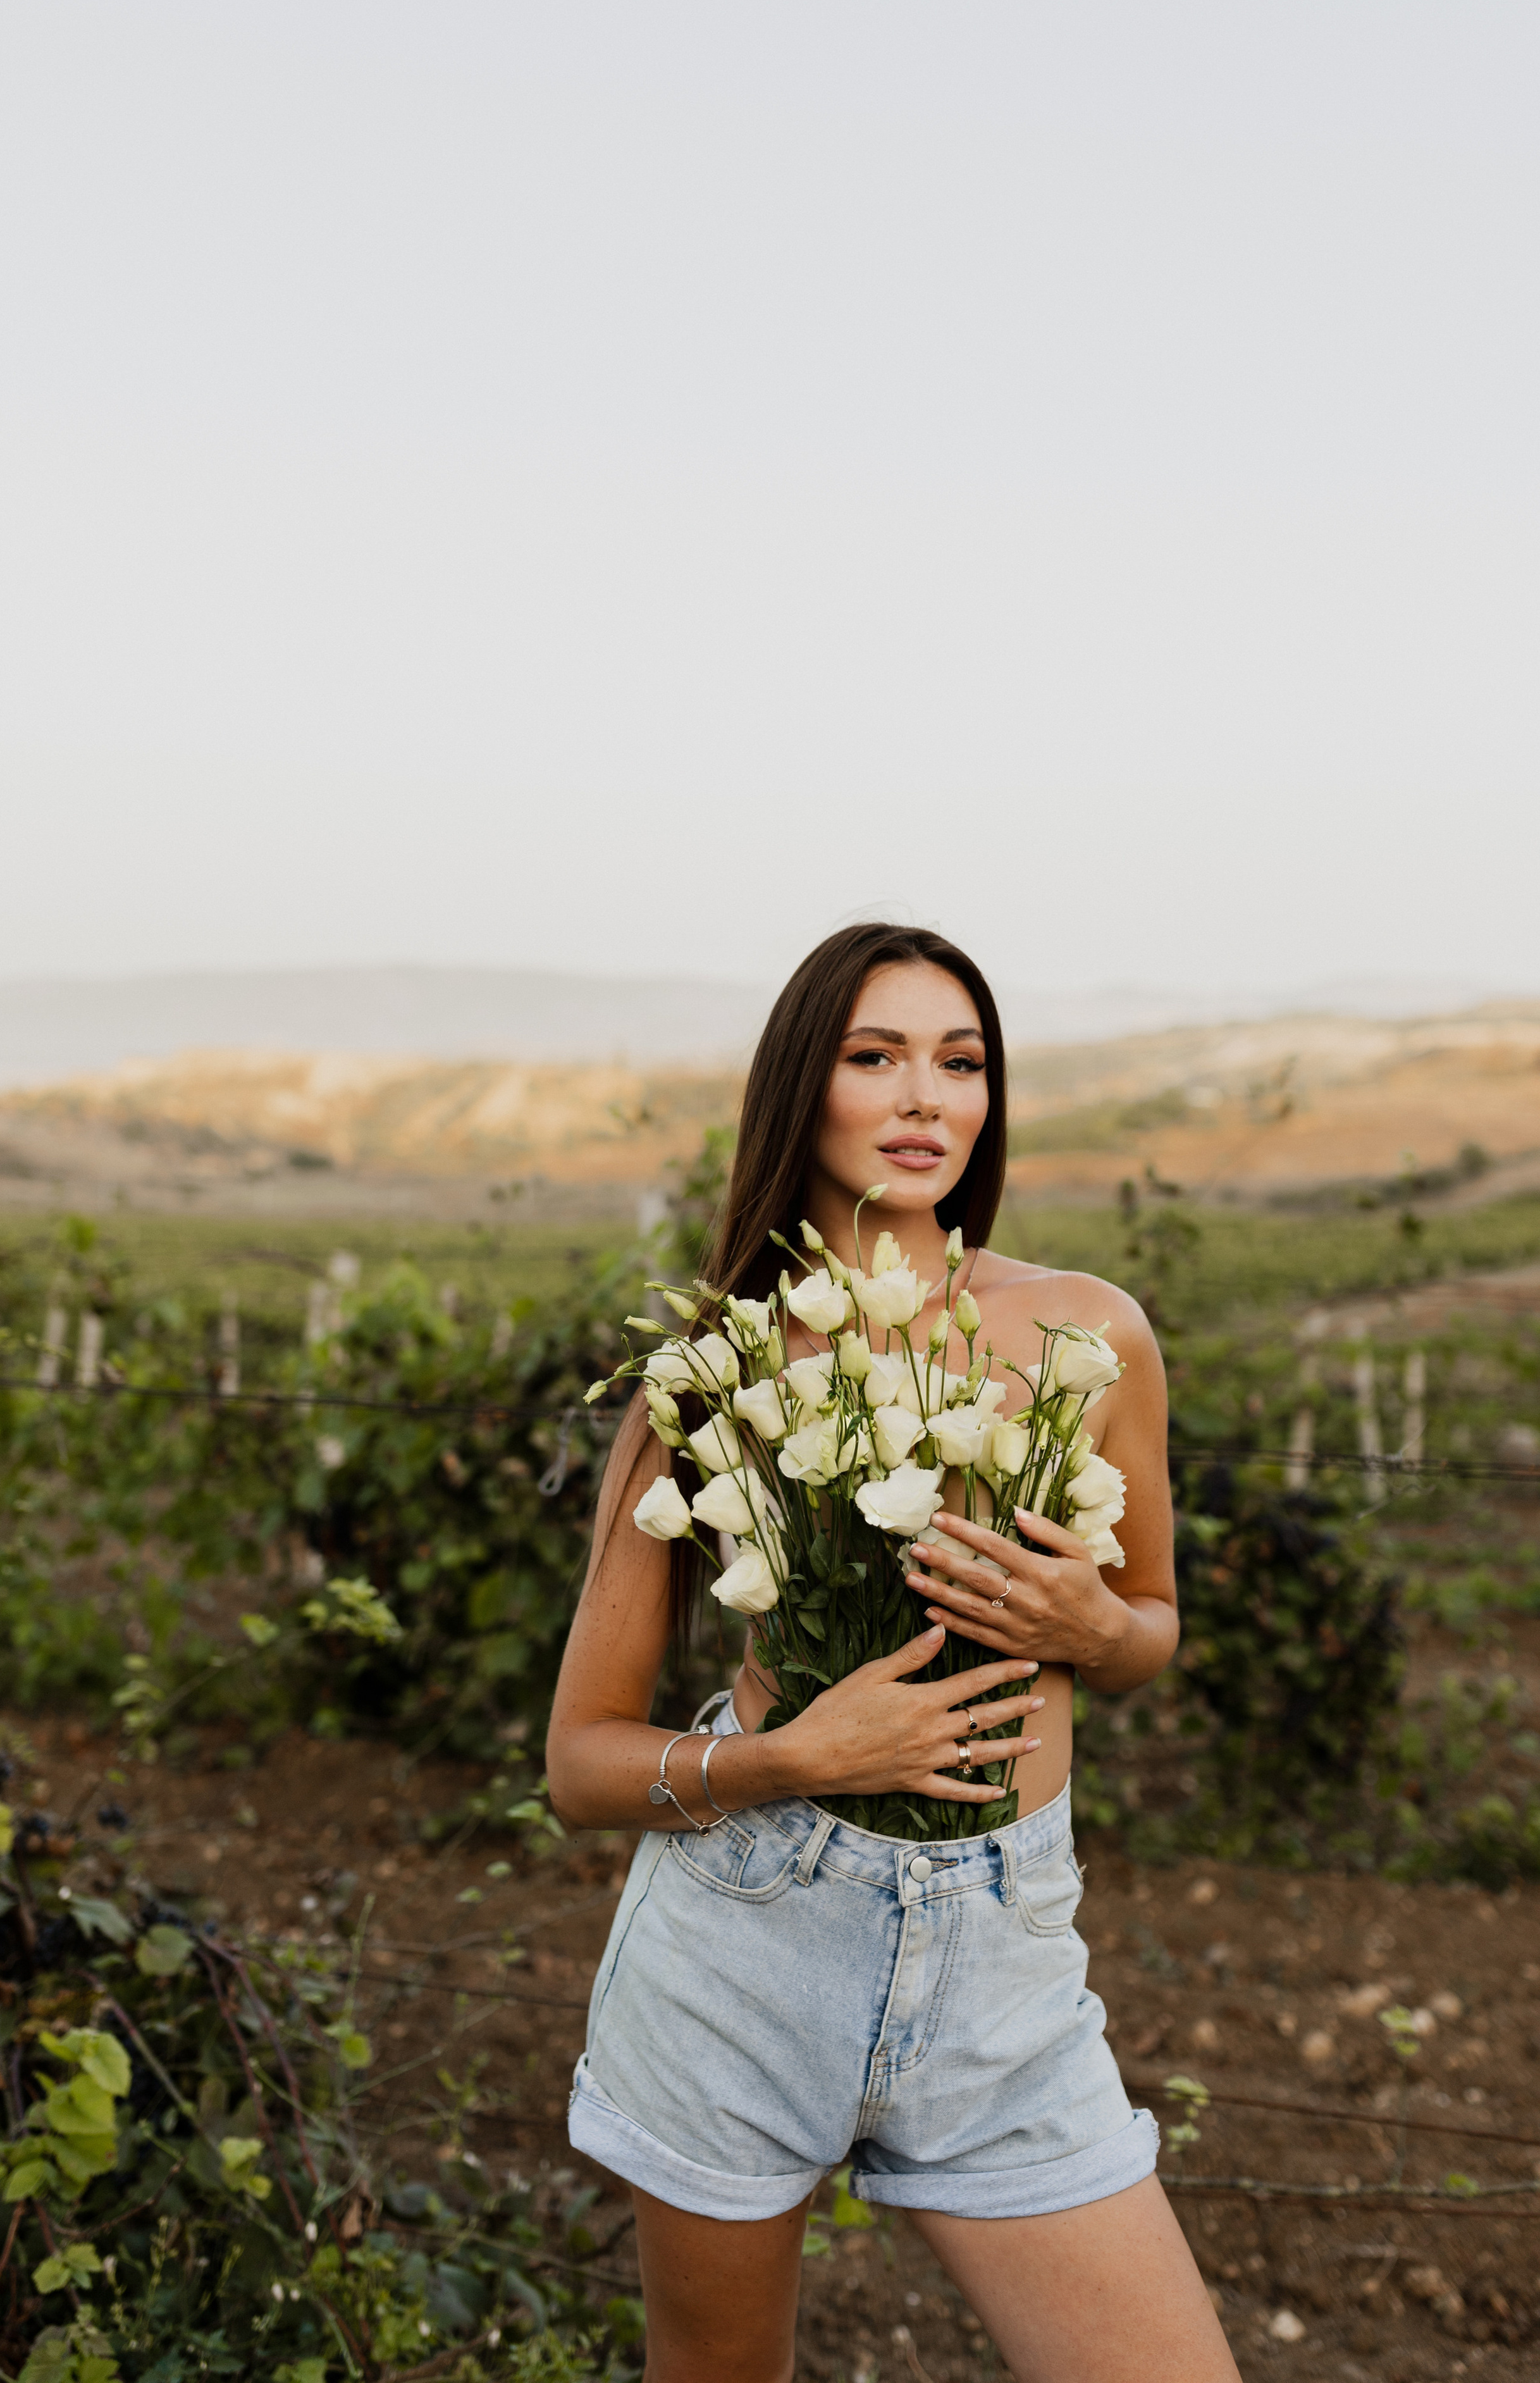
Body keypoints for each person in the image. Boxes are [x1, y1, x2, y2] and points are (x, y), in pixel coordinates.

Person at [546, 922, 1238, 2383]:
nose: (926, 1098)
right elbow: (580, 1763)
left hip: (1003, 1957)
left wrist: (1092, 1626)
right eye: (876, 1057)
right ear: (806, 1087)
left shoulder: (1084, 1337)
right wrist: (798, 1756)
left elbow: (1148, 1631)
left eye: (960, 1061)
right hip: (748, 1936)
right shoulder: (715, 1375)